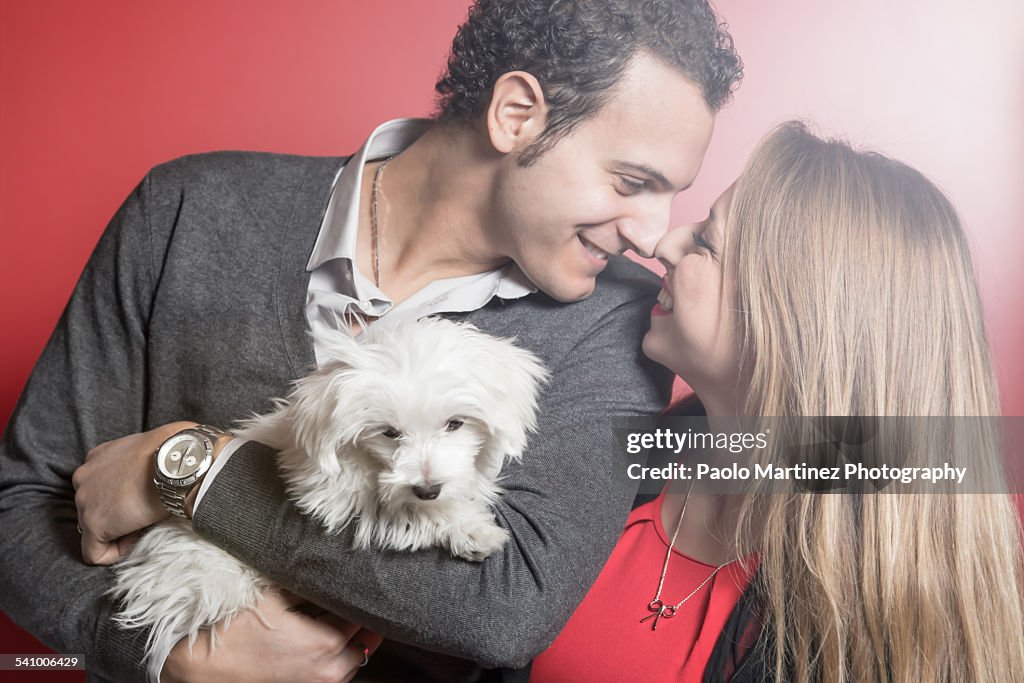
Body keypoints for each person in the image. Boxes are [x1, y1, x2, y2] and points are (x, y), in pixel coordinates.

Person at [0, 1, 743, 682]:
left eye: (672, 193)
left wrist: (196, 469)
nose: (654, 234)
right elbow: (22, 503)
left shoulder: (618, 317)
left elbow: (504, 606)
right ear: (517, 114)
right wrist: (151, 651)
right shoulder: (189, 211)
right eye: (631, 181)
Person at [531, 122, 1024, 681]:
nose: (662, 245)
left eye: (706, 243)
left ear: (796, 317)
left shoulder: (875, 625)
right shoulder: (609, 458)